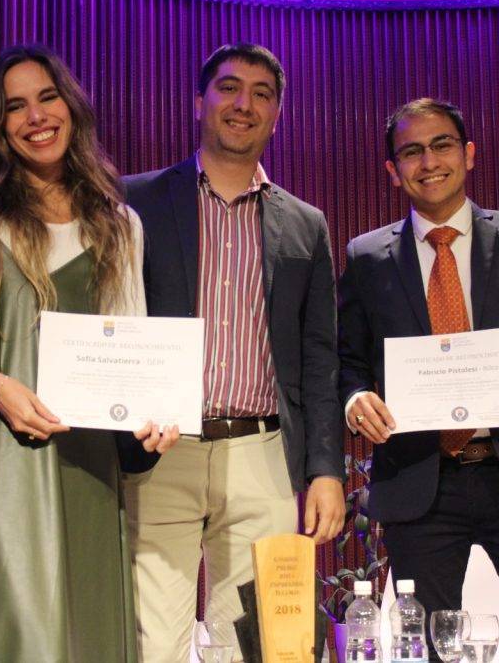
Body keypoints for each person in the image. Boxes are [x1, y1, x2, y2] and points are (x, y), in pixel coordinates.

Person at [0, 44, 178, 662]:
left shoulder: (119, 223)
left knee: (86, 628)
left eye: (47, 98)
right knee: (10, 630)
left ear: (71, 106)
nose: (36, 117)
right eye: (15, 106)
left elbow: (129, 340)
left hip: (85, 455)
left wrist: (152, 416)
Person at [338, 98, 499, 661]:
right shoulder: (366, 257)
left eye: (442, 145)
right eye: (411, 152)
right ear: (393, 170)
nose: (428, 161)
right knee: (431, 650)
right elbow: (346, 360)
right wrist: (356, 397)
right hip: (419, 480)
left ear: (469, 154)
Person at [123, 43, 346, 662]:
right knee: (150, 642)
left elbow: (320, 359)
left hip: (263, 454)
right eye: (228, 87)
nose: (243, 104)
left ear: (277, 114)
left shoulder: (305, 224)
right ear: (199, 101)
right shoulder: (133, 202)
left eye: (262, 94)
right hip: (160, 451)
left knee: (259, 645)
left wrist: (326, 470)